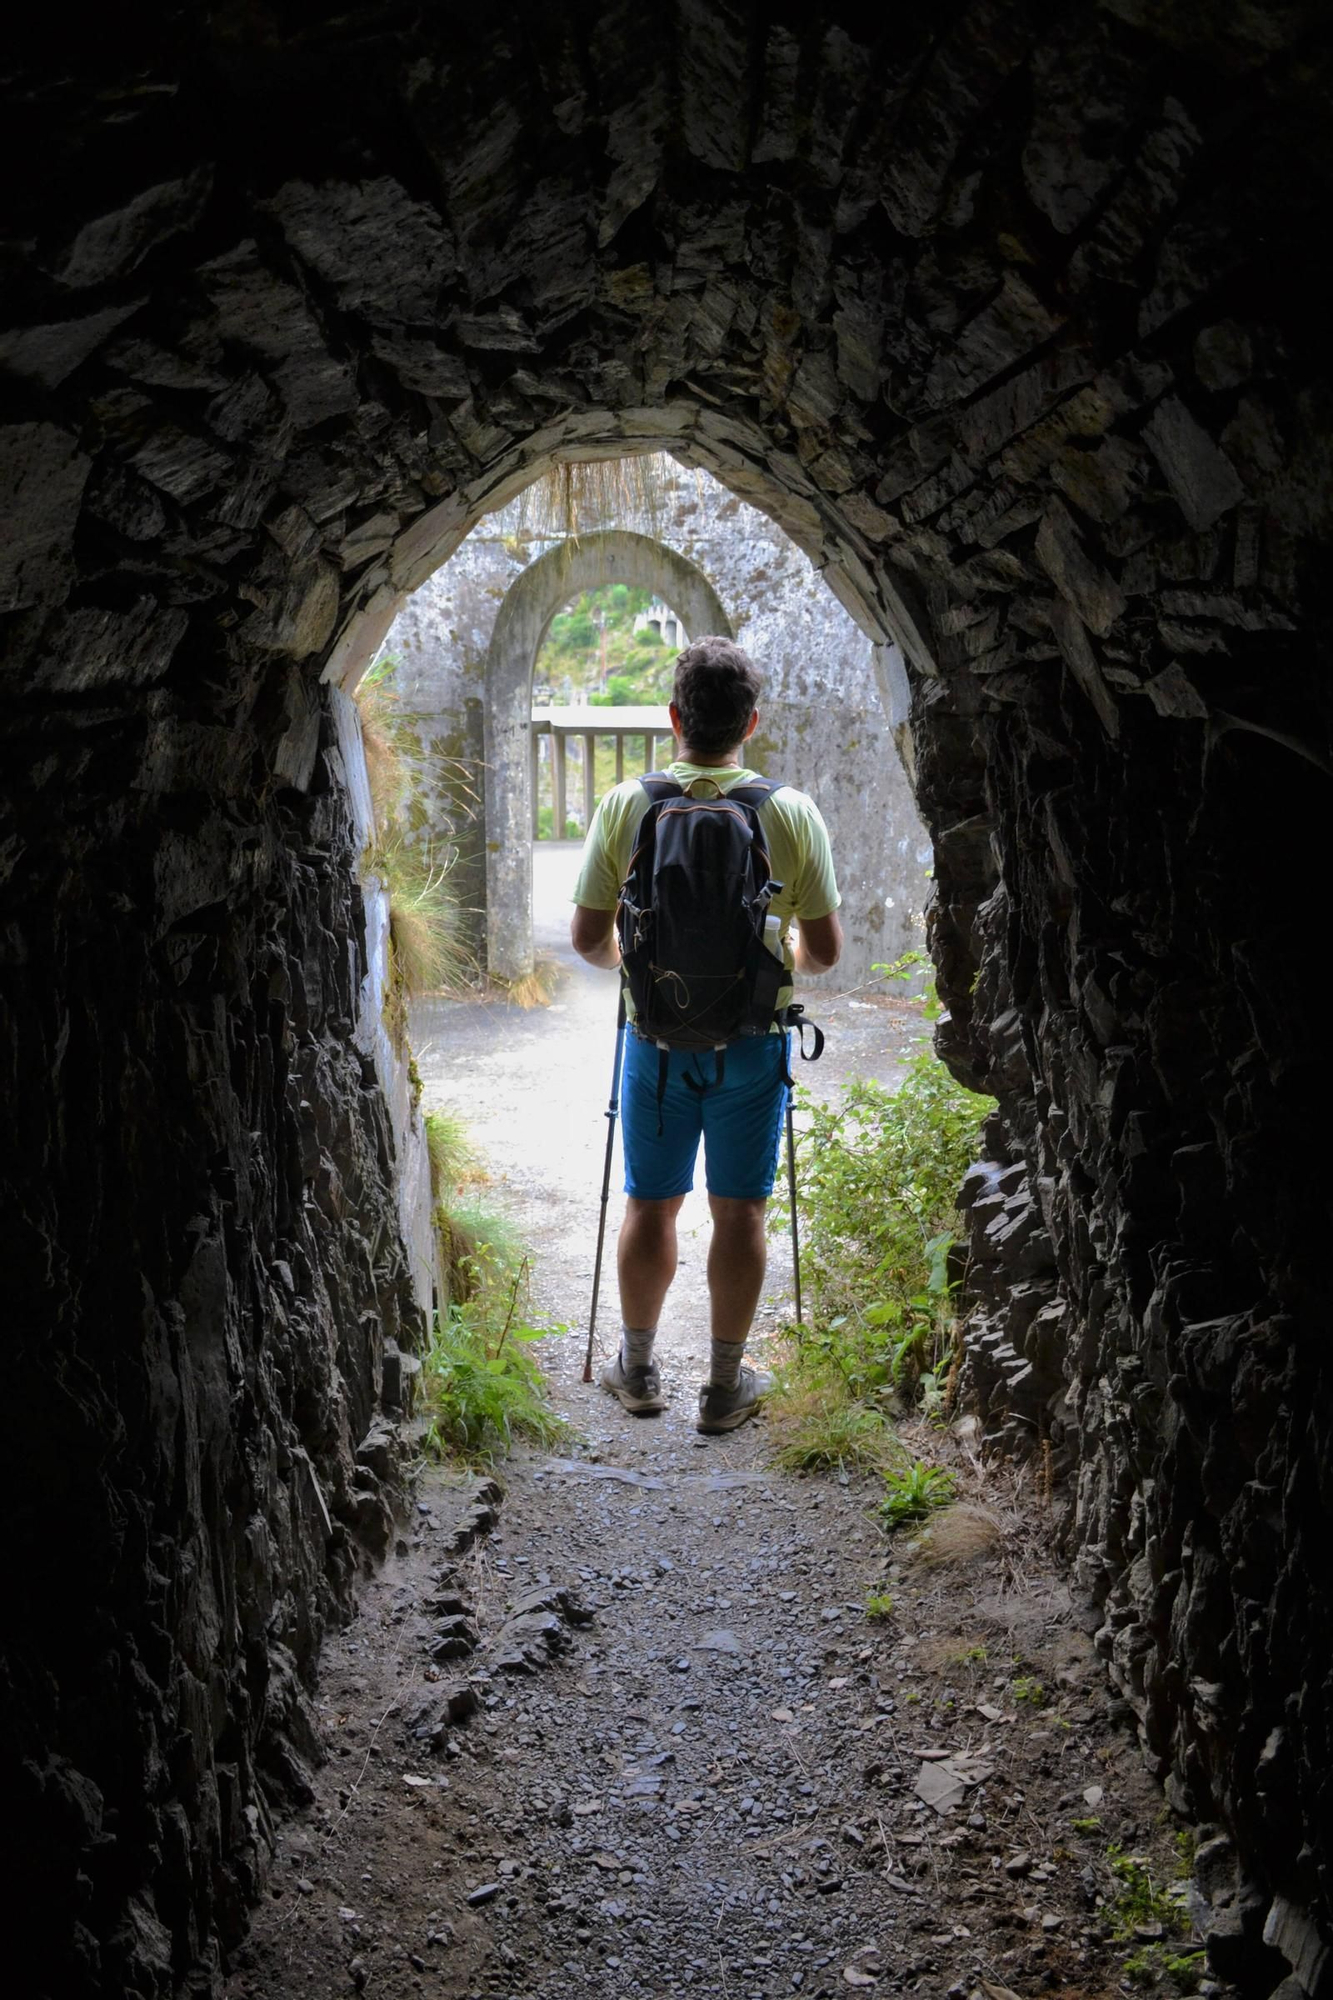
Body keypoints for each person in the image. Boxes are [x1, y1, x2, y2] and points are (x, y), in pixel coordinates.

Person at [570, 635, 842, 1434]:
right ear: (749, 722)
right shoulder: (788, 811)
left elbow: (588, 940)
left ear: (672, 718)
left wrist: (642, 969)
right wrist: (768, 957)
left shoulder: (630, 804)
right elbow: (821, 954)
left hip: (651, 1047)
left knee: (649, 1206)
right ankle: (724, 1388)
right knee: (740, 1215)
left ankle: (639, 1368)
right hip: (752, 1046)